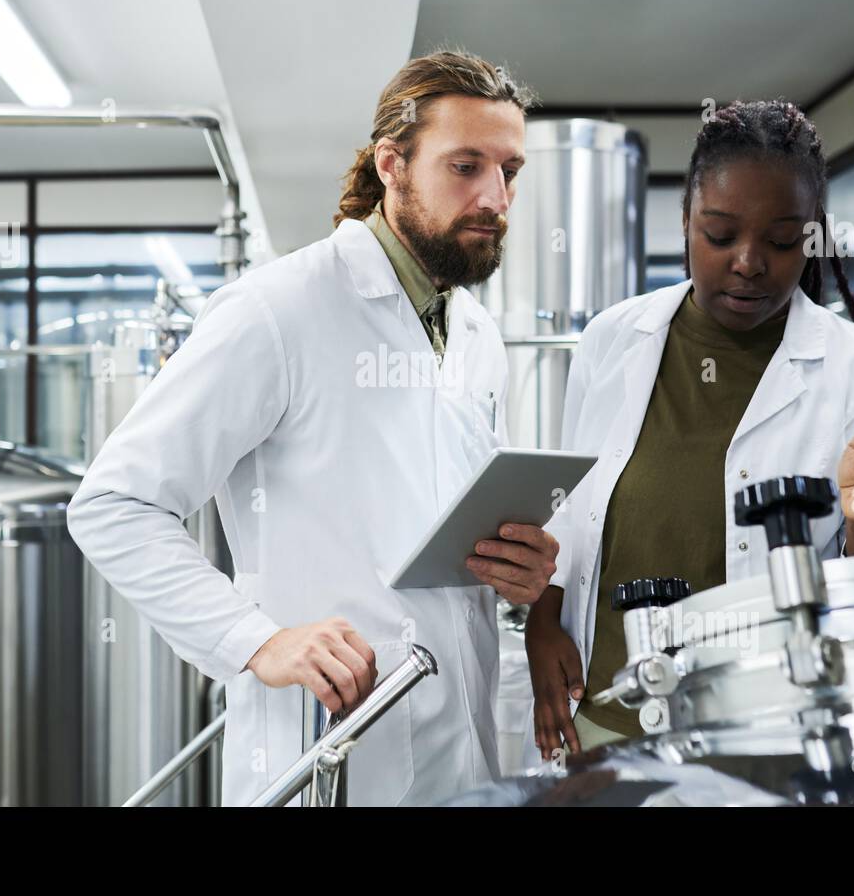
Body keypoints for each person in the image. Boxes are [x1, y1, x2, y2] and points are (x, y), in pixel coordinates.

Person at [68, 50, 560, 806]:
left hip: (462, 751)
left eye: (510, 171)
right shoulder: (278, 310)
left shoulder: (475, 334)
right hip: (327, 750)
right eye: (466, 166)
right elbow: (113, 505)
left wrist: (518, 575)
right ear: (393, 165)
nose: (495, 197)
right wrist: (258, 641)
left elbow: (439, 529)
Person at [525, 99, 854, 759]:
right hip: (605, 722)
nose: (749, 263)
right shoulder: (610, 341)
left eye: (781, 242)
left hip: (770, 742)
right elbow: (570, 511)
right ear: (685, 220)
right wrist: (541, 624)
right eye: (720, 235)